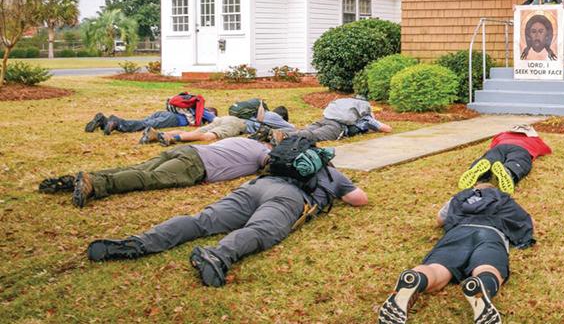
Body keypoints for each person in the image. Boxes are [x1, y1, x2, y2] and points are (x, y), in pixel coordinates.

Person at [86, 160, 367, 287]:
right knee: (260, 231)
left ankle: (139, 242)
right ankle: (218, 255)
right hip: (289, 197)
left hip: (255, 186)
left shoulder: (281, 162)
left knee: (201, 221)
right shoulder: (333, 173)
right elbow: (359, 199)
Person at [378, 182, 535, 324]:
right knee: (487, 267)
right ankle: (482, 287)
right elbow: (529, 223)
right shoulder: (503, 199)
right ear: (493, 190)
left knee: (437, 268)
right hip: (490, 234)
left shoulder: (460, 198)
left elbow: (439, 220)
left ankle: (417, 279)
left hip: (457, 233)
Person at [38, 136, 273, 208]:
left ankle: (85, 178)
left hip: (186, 151)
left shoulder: (242, 139)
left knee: (136, 168)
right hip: (196, 165)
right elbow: (271, 165)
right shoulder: (260, 152)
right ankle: (95, 184)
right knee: (147, 178)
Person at [457, 124, 551, 194]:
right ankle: (509, 171)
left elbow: (493, 145)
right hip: (521, 148)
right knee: (518, 160)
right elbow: (546, 150)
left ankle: (479, 171)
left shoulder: (502, 135)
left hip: (501, 146)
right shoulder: (534, 139)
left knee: (490, 157)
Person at [151, 105, 293, 146]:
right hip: (236, 124)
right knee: (207, 137)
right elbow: (292, 129)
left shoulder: (259, 111)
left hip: (225, 118)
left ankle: (159, 134)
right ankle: (174, 138)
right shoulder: (274, 117)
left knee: (200, 131)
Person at [284, 98, 392, 143]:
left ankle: (276, 133)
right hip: (336, 127)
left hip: (325, 119)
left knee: (306, 130)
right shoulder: (366, 117)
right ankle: (284, 136)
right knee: (313, 136)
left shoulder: (347, 104)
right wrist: (373, 120)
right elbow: (387, 129)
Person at [85, 105, 217, 135]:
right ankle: (116, 123)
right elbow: (217, 120)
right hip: (173, 119)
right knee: (143, 125)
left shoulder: (193, 108)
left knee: (142, 121)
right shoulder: (205, 111)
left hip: (165, 112)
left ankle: (104, 121)